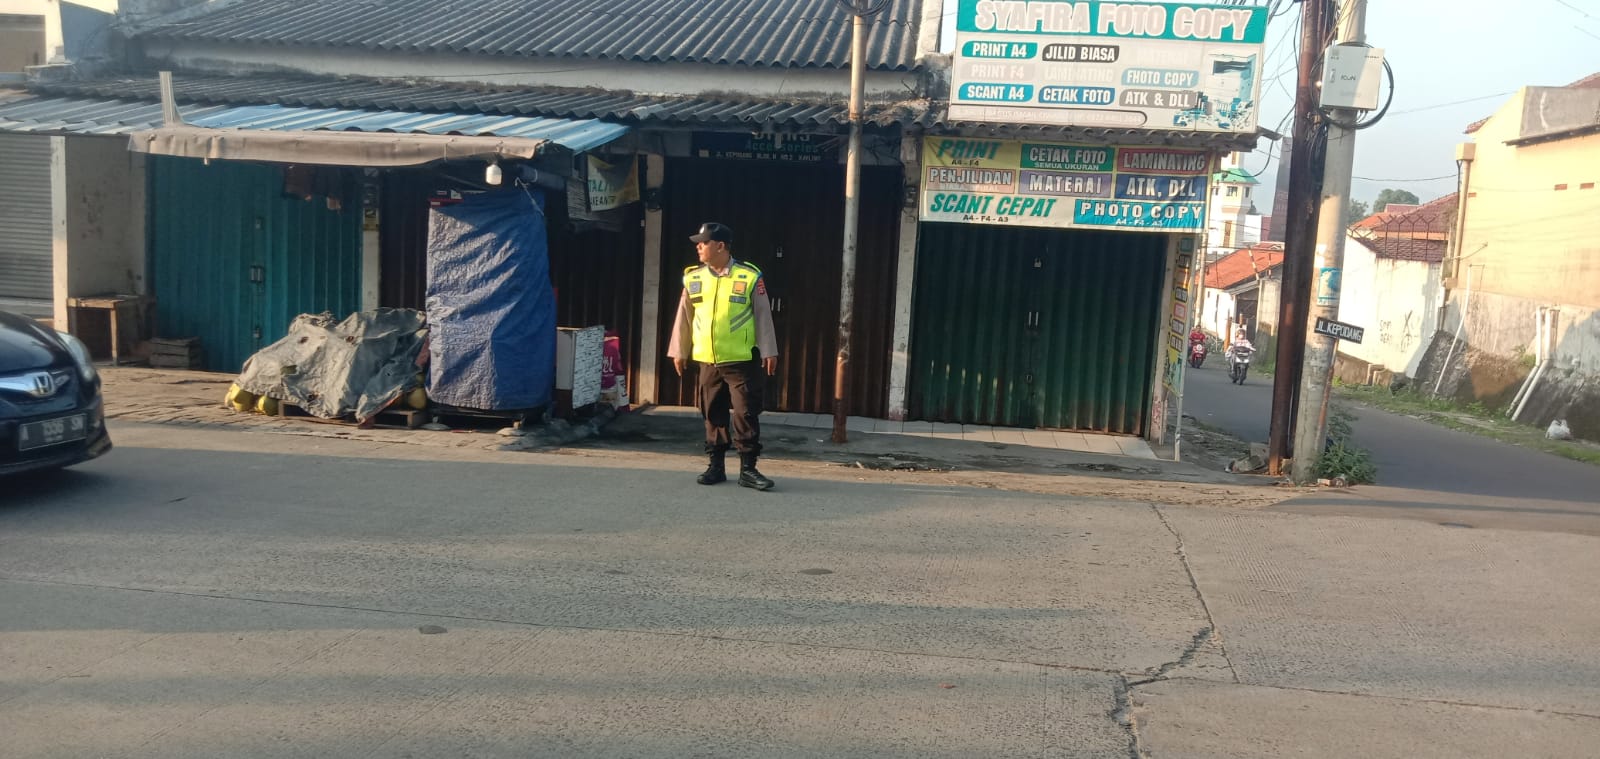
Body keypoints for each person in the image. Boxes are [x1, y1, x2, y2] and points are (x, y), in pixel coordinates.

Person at [667, 222, 779, 491]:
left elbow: (763, 314)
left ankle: (748, 470)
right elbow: (684, 316)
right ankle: (715, 466)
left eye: (703, 242)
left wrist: (769, 350)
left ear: (720, 246)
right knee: (712, 412)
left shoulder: (748, 276)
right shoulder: (693, 278)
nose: (698, 247)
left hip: (741, 360)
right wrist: (679, 351)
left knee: (745, 413)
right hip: (708, 360)